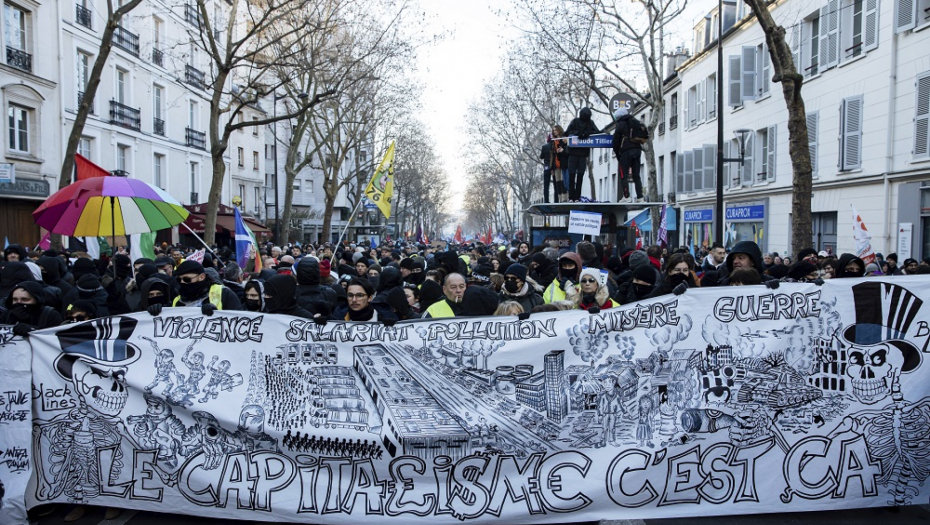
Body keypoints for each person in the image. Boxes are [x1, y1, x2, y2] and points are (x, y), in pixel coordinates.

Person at [152, 260, 242, 315]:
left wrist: (218, 314)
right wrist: (159, 311)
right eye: (179, 280)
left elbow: (238, 319)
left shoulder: (223, 293)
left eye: (187, 279)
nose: (182, 283)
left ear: (201, 277)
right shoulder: (177, 300)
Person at [563, 107, 599, 201]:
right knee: (572, 176)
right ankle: (571, 197)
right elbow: (567, 133)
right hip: (573, 153)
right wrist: (577, 133)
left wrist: (588, 133)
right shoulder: (575, 121)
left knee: (580, 176)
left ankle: (577, 197)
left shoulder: (590, 123)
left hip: (583, 154)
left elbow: (597, 132)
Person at [612, 107, 645, 202]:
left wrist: (619, 155)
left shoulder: (620, 125)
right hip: (637, 150)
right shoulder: (635, 122)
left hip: (626, 151)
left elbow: (616, 141)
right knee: (636, 175)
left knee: (623, 174)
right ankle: (640, 197)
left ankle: (626, 196)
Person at [332, 278, 397, 322]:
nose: (354, 300)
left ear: (370, 298)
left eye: (359, 295)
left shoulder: (385, 316)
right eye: (350, 295)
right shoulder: (338, 316)